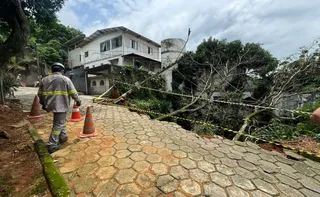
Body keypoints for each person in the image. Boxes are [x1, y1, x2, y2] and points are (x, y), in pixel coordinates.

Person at [37, 62, 81, 153]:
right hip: (61, 105)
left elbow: (40, 94)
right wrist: (78, 100)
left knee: (61, 121)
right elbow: (73, 92)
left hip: (49, 104)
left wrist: (43, 103)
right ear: (62, 70)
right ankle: (52, 144)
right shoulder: (65, 79)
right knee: (58, 124)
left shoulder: (44, 80)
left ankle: (63, 136)